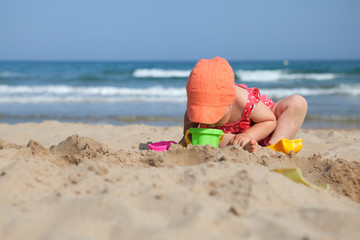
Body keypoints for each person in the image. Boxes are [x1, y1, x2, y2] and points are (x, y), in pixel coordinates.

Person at [179, 56, 307, 152]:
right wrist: (187, 138)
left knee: (297, 102)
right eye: (203, 115)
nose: (210, 122)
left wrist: (248, 135)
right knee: (211, 139)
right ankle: (244, 147)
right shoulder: (194, 109)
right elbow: (189, 126)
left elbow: (270, 121)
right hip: (229, 139)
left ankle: (275, 145)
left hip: (266, 129)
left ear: (230, 100)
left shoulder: (244, 100)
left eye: (214, 115)